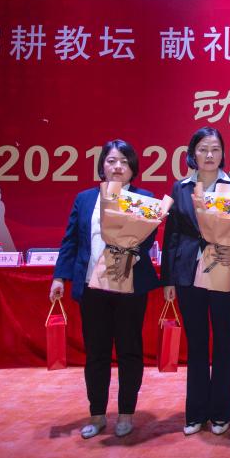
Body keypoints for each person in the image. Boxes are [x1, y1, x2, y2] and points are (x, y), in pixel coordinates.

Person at [49, 139, 159, 439]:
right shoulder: (85, 199)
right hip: (92, 287)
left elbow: (147, 241)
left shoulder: (144, 198)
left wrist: (127, 249)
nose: (117, 166)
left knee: (129, 350)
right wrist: (60, 277)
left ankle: (126, 413)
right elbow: (71, 240)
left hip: (129, 285)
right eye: (111, 161)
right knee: (96, 353)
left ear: (132, 167)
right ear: (102, 166)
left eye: (124, 161)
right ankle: (97, 415)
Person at [162, 127, 230, 436]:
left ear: (223, 153)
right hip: (188, 273)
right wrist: (168, 279)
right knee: (196, 343)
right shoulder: (180, 188)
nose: (209, 155)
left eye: (215, 149)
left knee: (224, 341)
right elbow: (171, 236)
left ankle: (221, 413)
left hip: (224, 268)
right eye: (202, 149)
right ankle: (196, 412)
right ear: (192, 154)